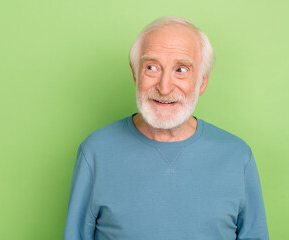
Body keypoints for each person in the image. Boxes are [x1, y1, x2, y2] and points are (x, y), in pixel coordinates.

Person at [63, 16, 269, 240]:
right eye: (151, 67)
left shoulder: (238, 157)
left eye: (181, 69)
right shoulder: (96, 152)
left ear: (202, 82)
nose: (164, 87)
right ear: (135, 74)